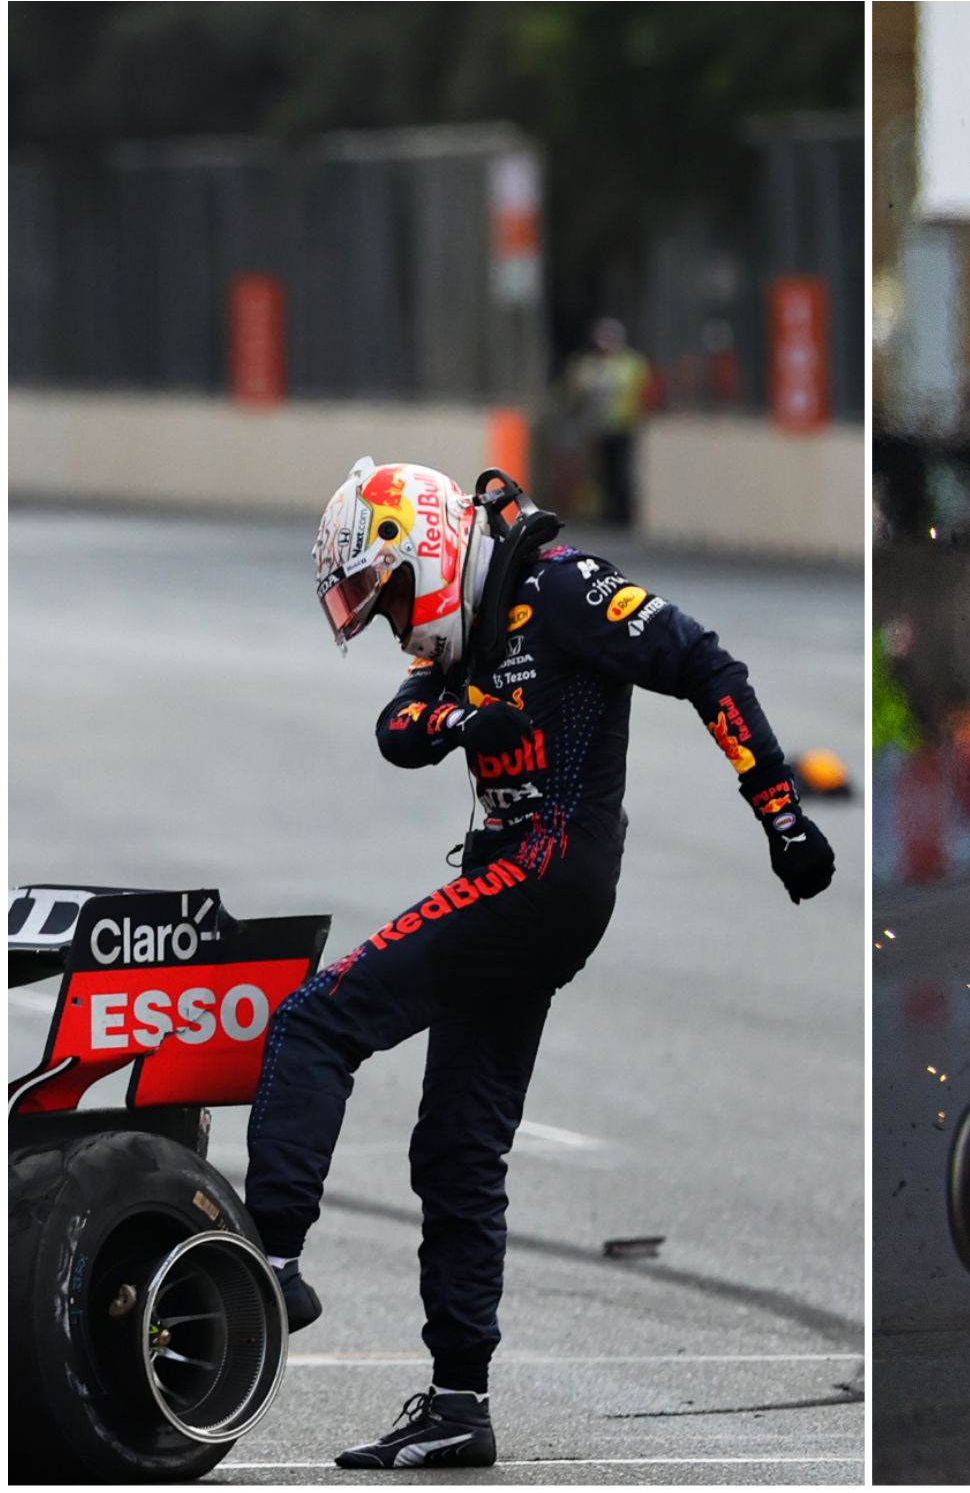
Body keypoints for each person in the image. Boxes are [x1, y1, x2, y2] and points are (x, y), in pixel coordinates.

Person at [272, 459, 836, 1469]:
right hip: (518, 884)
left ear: (431, 550)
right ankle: (458, 1403)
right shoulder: (467, 620)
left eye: (390, 593)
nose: (394, 624)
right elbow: (397, 728)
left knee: (316, 1020)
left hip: (546, 874)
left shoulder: (564, 589)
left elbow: (707, 664)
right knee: (455, 1144)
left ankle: (270, 1263)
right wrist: (461, 717)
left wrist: (781, 816)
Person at [565, 318, 653, 526]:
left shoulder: (632, 363)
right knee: (600, 474)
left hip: (624, 427)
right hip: (596, 429)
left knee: (622, 471)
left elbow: (645, 393)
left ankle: (623, 513)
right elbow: (576, 396)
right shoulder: (588, 365)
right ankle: (604, 512)